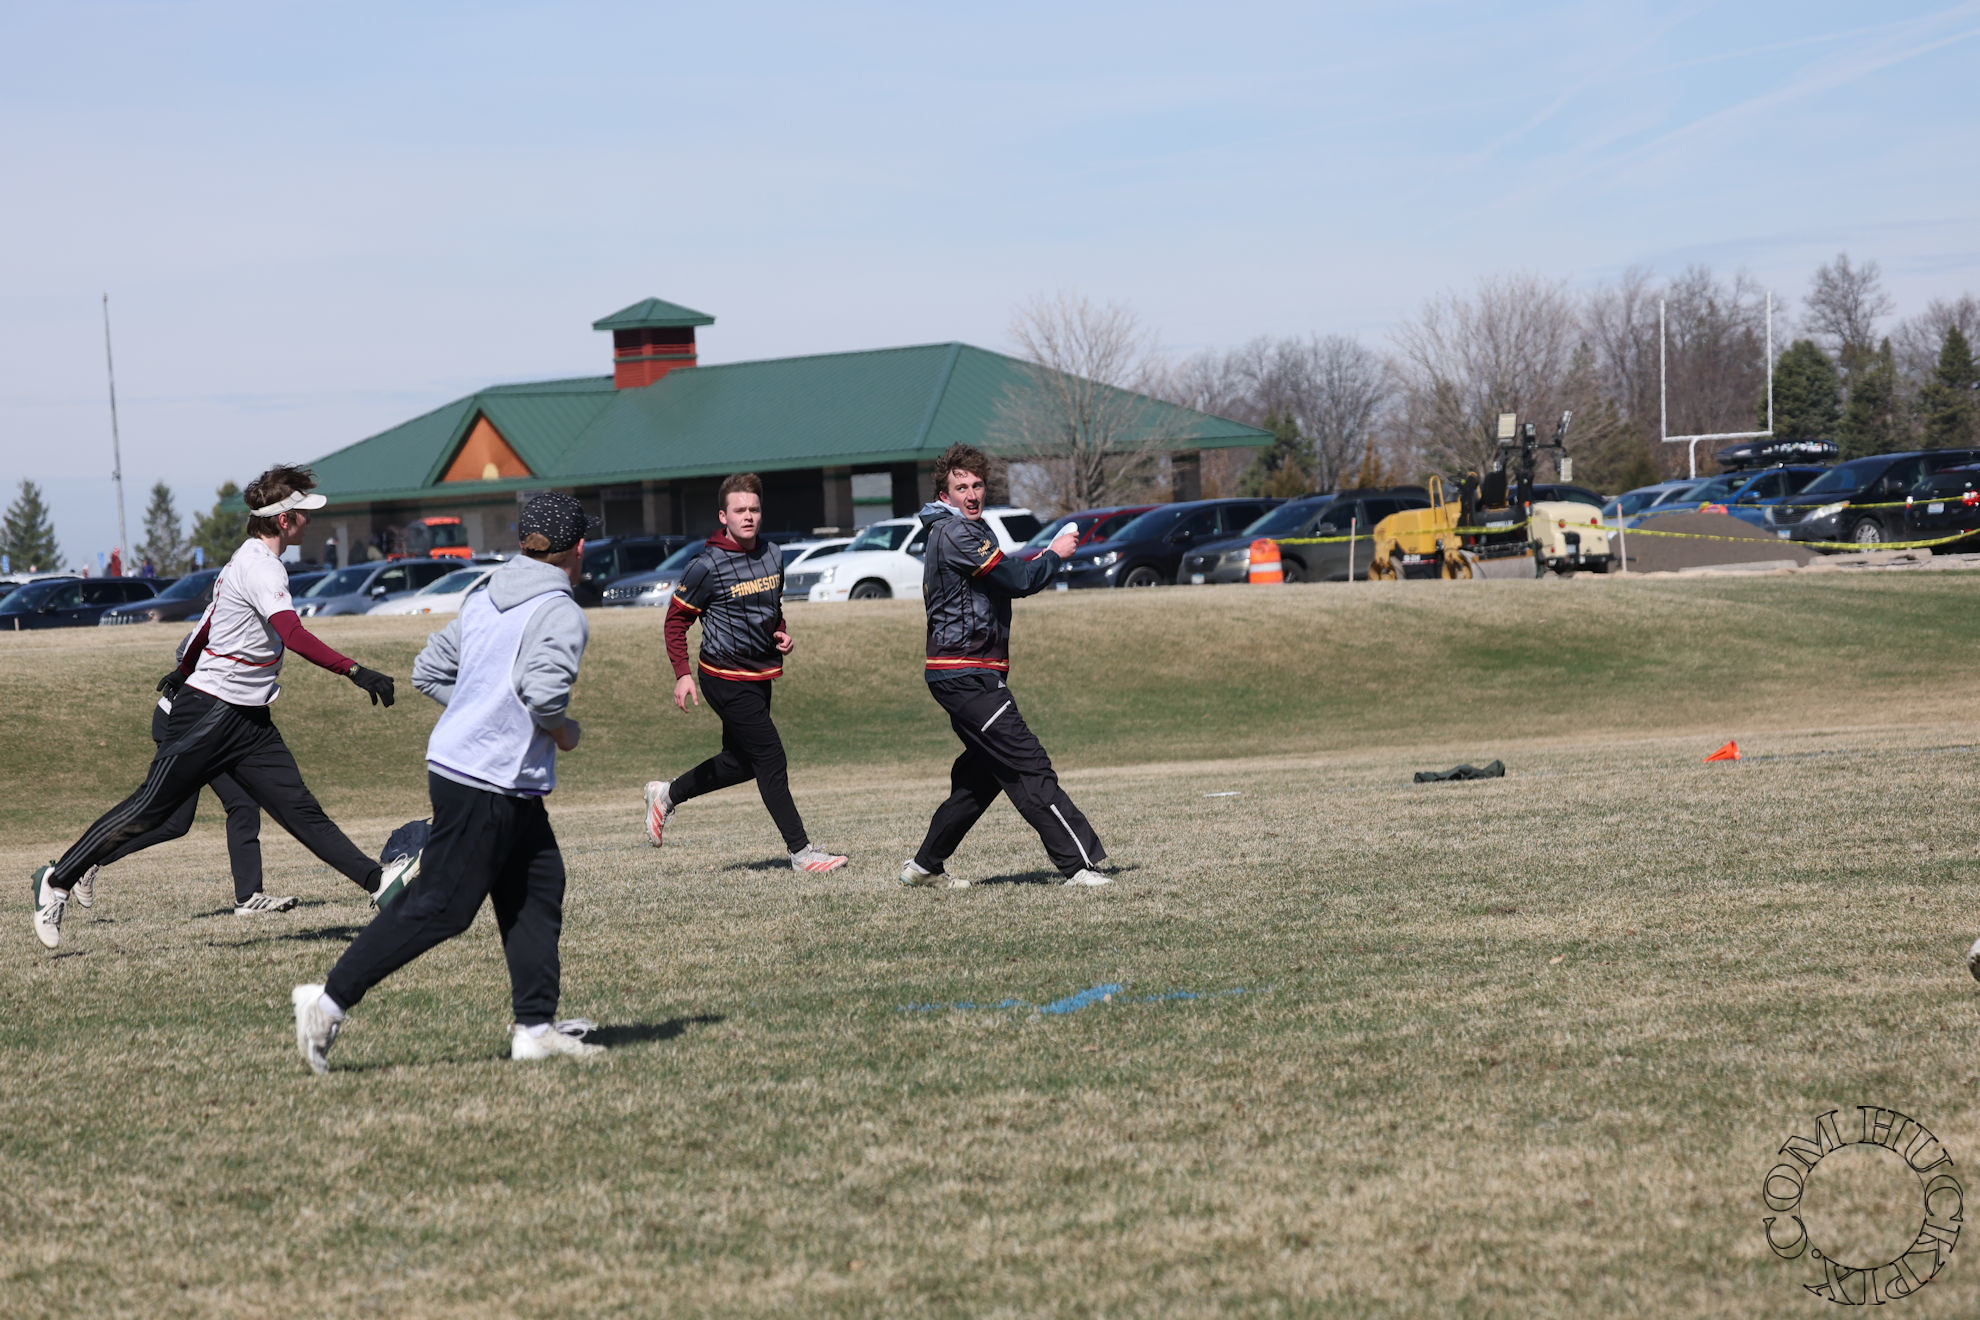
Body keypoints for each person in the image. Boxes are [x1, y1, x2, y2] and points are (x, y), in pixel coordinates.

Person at [29, 464, 409, 950]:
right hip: (212, 710)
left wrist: (184, 668)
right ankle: (57, 880)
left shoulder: (243, 560)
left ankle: (378, 884)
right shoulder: (261, 566)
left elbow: (207, 624)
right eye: (303, 514)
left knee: (300, 810)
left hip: (248, 717)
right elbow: (292, 634)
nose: (309, 521)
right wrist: (355, 671)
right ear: (283, 520)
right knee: (153, 808)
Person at [293, 492, 600, 1073]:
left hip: (482, 775)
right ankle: (327, 1002)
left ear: (523, 544)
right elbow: (543, 696)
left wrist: (481, 708)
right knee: (442, 908)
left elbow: (429, 671)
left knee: (537, 885)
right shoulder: (561, 611)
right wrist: (564, 732)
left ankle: (535, 1029)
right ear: (578, 548)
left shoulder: (484, 597)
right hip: (487, 779)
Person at [900, 444, 1110, 889]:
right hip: (966, 675)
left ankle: (925, 867)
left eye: (977, 485)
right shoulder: (956, 533)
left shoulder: (965, 529)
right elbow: (1017, 580)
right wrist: (1055, 554)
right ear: (944, 494)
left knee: (982, 776)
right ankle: (1078, 866)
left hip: (966, 671)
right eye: (961, 487)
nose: (972, 494)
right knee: (1029, 763)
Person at [642, 474, 848, 873]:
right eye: (739, 510)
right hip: (722, 677)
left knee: (741, 762)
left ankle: (666, 795)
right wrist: (682, 673)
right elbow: (675, 622)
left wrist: (781, 633)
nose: (748, 516)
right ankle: (801, 853)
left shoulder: (773, 554)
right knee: (770, 756)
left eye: (754, 509)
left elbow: (771, 610)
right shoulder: (706, 566)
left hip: (759, 675)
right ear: (724, 516)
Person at [72, 639, 282, 916]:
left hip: (219, 728)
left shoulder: (266, 629)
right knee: (165, 814)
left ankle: (248, 897)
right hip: (182, 725)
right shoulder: (223, 621)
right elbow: (185, 652)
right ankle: (84, 860)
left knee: (223, 809)